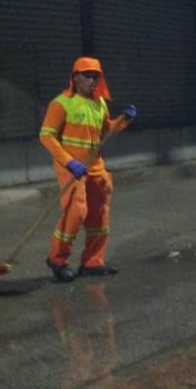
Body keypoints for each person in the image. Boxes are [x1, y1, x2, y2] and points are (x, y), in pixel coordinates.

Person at [39, 57, 135, 282]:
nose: (92, 80)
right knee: (76, 211)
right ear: (75, 77)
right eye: (87, 75)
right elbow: (46, 136)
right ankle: (57, 259)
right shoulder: (61, 103)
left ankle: (92, 262)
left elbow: (108, 129)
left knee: (99, 214)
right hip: (71, 167)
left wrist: (124, 119)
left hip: (94, 166)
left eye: (96, 76)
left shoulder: (99, 103)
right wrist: (68, 161)